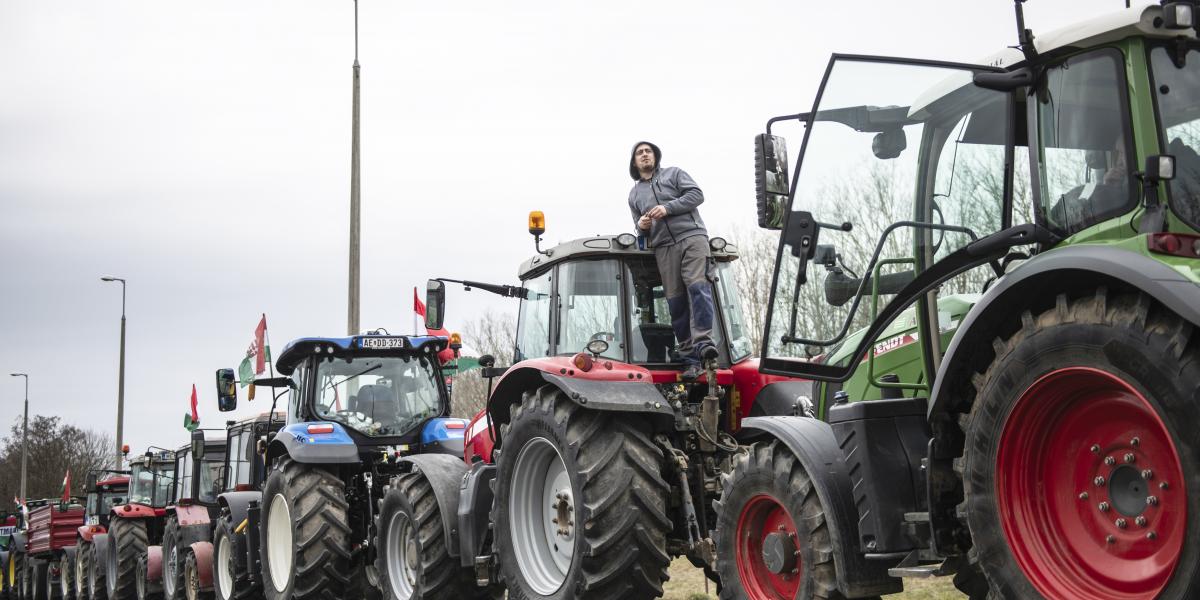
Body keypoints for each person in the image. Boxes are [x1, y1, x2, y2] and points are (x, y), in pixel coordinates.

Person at [627, 141, 717, 380]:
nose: (645, 155)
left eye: (648, 151)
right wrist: (642, 226)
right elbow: (640, 230)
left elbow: (697, 195)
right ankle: (689, 358)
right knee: (676, 302)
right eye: (639, 153)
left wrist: (668, 208)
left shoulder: (674, 174)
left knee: (698, 287)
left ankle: (704, 345)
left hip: (692, 236)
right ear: (634, 162)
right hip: (664, 247)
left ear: (655, 156)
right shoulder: (634, 195)